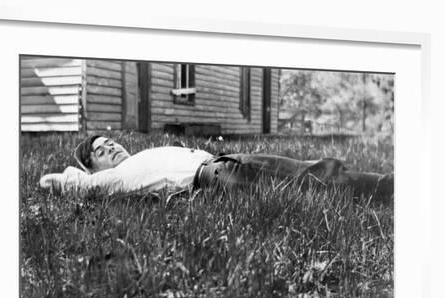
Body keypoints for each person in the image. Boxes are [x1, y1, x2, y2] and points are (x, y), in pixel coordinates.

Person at [39, 135, 394, 201]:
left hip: (225, 169)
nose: (112, 147)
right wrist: (77, 177)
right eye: (101, 150)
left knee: (311, 181)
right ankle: (389, 186)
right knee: (312, 173)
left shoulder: (137, 159)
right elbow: (59, 182)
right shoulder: (113, 179)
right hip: (220, 172)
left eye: (110, 141)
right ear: (92, 167)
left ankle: (382, 188)